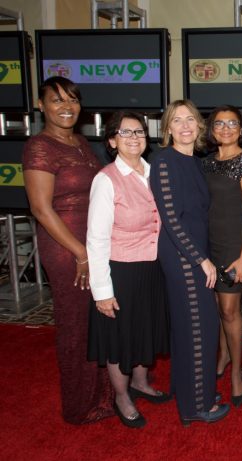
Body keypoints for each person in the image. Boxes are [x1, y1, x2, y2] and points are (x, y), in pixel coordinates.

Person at [22, 76, 114, 424]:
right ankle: (81, 405)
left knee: (98, 320)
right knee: (76, 324)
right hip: (67, 247)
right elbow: (41, 209)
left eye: (72, 100)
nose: (66, 107)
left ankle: (103, 392)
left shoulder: (79, 142)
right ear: (41, 106)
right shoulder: (39, 146)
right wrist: (80, 253)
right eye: (57, 100)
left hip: (91, 242)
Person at [86, 112, 171, 428]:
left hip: (153, 269)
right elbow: (95, 239)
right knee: (121, 337)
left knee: (144, 329)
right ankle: (121, 396)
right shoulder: (106, 179)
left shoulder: (155, 172)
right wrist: (102, 292)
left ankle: (141, 383)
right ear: (111, 140)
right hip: (120, 272)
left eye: (139, 132)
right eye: (125, 132)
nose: (134, 137)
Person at [150, 100, 229, 426]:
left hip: (197, 252)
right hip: (182, 255)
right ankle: (199, 405)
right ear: (168, 128)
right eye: (177, 120)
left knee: (189, 327)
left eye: (190, 120)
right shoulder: (163, 160)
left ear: (198, 126)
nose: (185, 126)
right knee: (202, 328)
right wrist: (201, 261)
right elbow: (171, 218)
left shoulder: (197, 162)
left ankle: (192, 391)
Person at [202, 105, 242, 407]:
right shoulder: (207, 162)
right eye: (219, 123)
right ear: (211, 129)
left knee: (229, 310)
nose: (226, 129)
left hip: (232, 247)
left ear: (241, 129)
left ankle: (237, 372)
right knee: (216, 309)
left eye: (232, 123)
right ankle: (223, 355)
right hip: (207, 245)